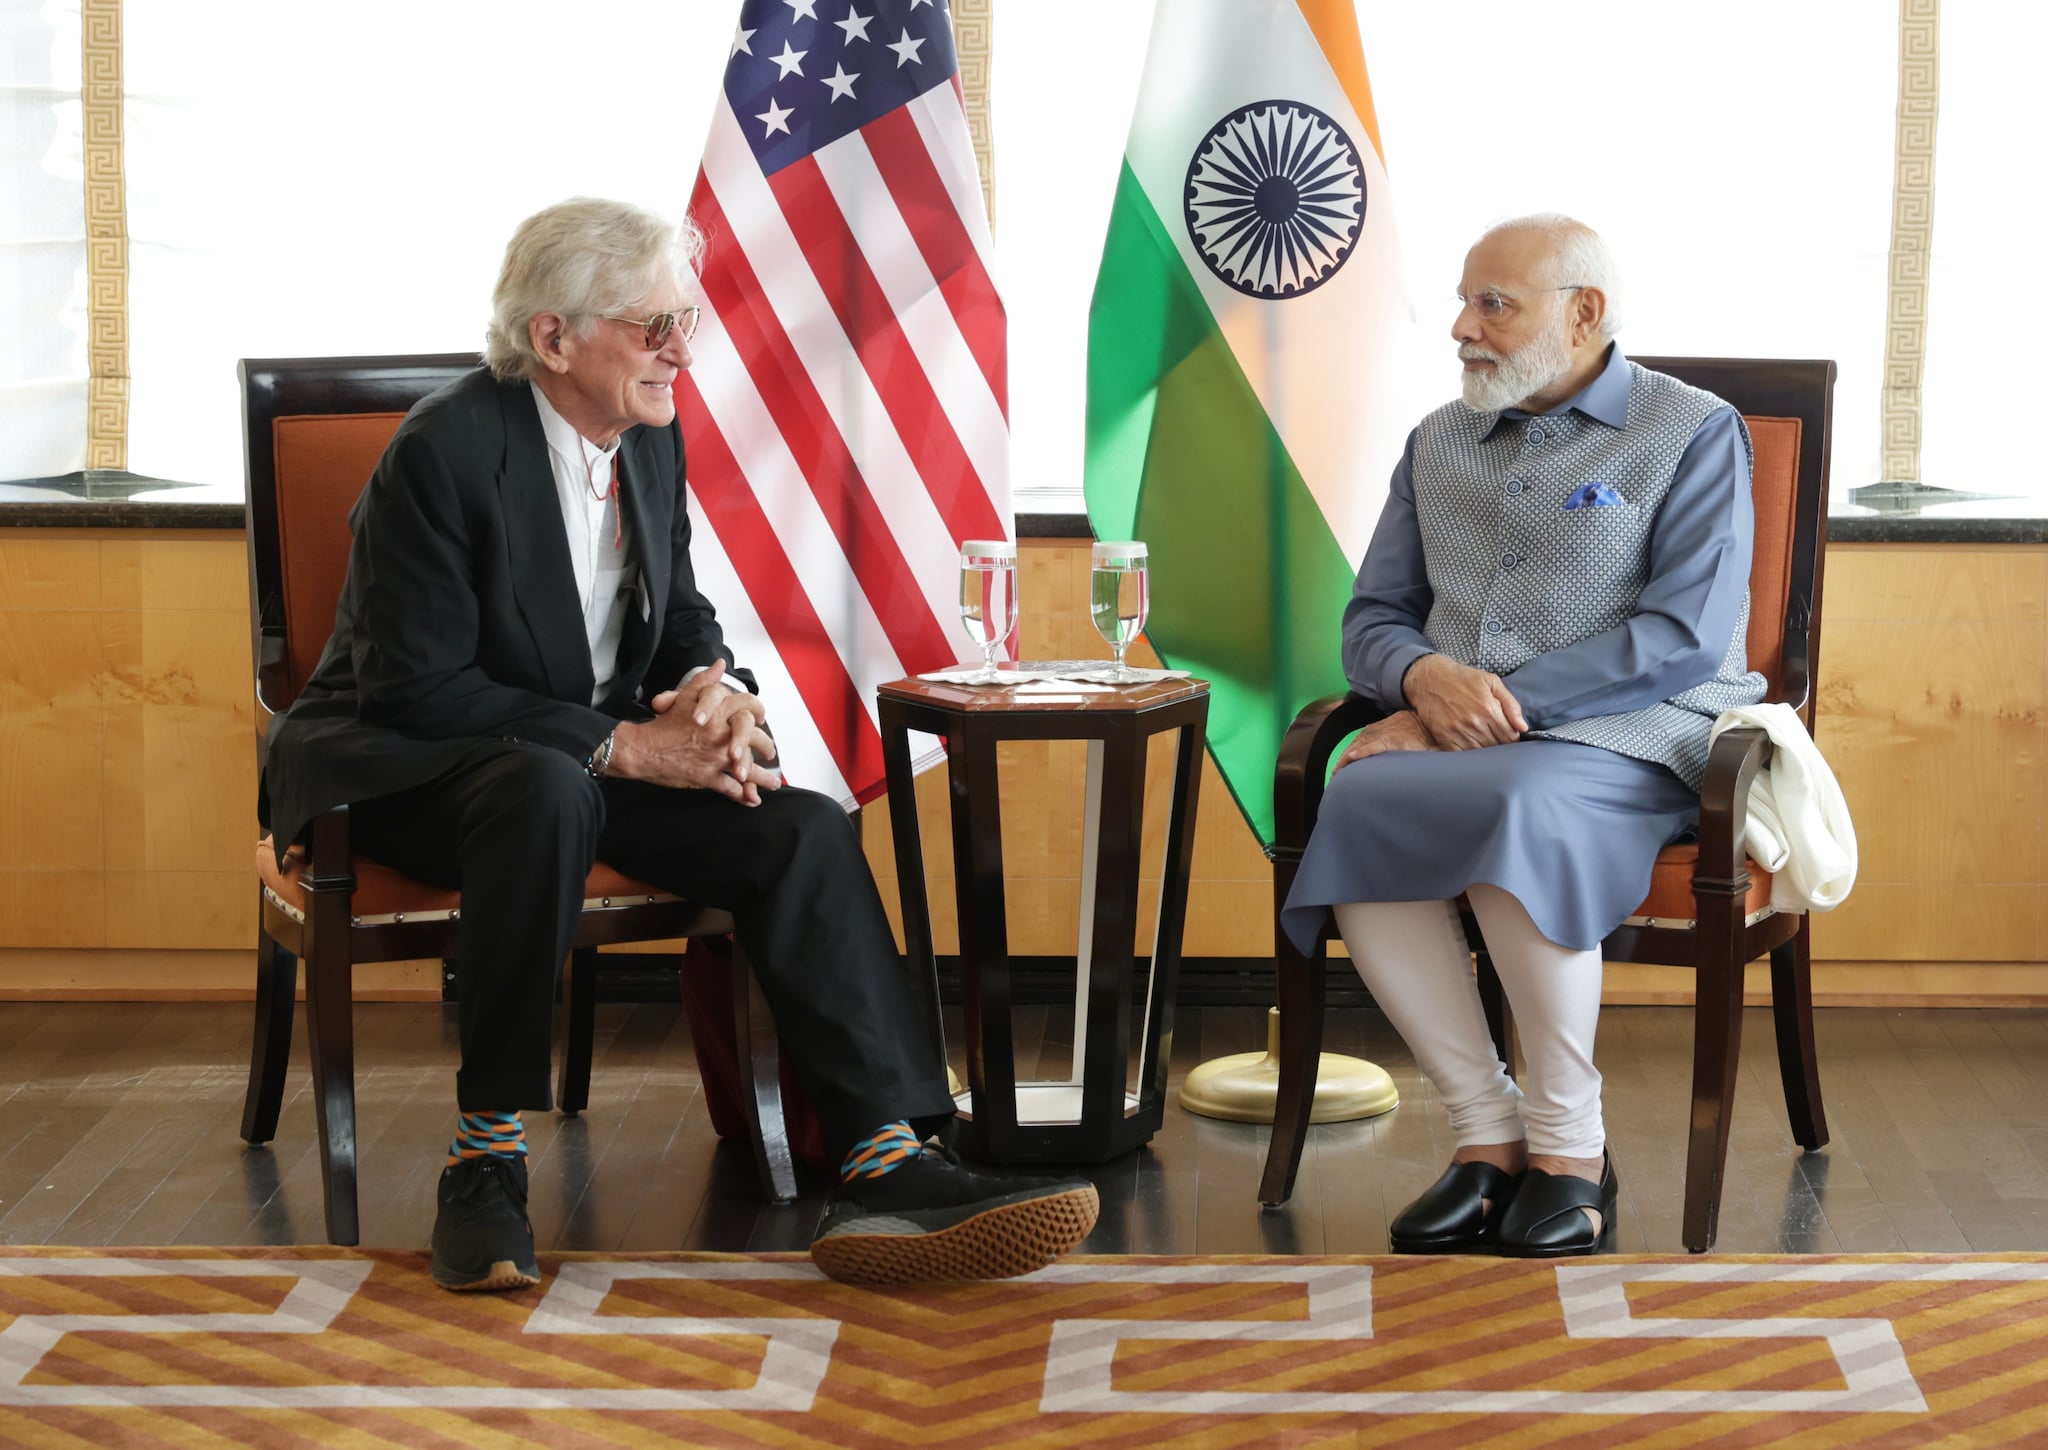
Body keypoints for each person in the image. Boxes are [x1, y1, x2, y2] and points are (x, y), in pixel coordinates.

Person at [260, 197, 1098, 1291]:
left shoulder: (648, 438)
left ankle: (885, 1154)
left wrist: (718, 696)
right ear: (551, 338)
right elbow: (413, 689)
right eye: (649, 325)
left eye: (685, 321)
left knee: (798, 825)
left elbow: (679, 618)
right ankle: (484, 1161)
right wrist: (623, 748)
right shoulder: (444, 453)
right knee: (545, 789)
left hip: (571, 764)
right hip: (412, 769)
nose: (680, 349)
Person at [1279, 213, 1766, 1258]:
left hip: (1641, 732)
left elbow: (1680, 636)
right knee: (1357, 795)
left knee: (1514, 801)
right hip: (1468, 738)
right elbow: (1372, 618)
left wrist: (1488, 706)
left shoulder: (1691, 429)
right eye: (1463, 300)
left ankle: (1569, 1149)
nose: (1463, 326)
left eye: (1492, 303)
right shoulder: (1435, 439)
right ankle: (1484, 1133)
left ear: (1583, 312)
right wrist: (1416, 676)